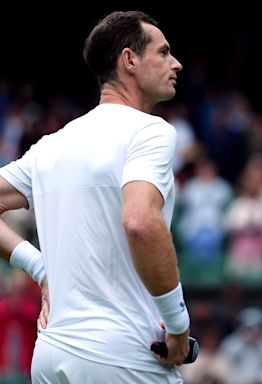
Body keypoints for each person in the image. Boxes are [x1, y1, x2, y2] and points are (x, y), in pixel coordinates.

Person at [0, 10, 192, 383]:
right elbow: (140, 222)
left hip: (51, 355)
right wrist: (177, 325)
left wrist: (40, 269)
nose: (176, 63)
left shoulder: (49, 145)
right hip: (123, 355)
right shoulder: (151, 132)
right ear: (129, 60)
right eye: (164, 52)